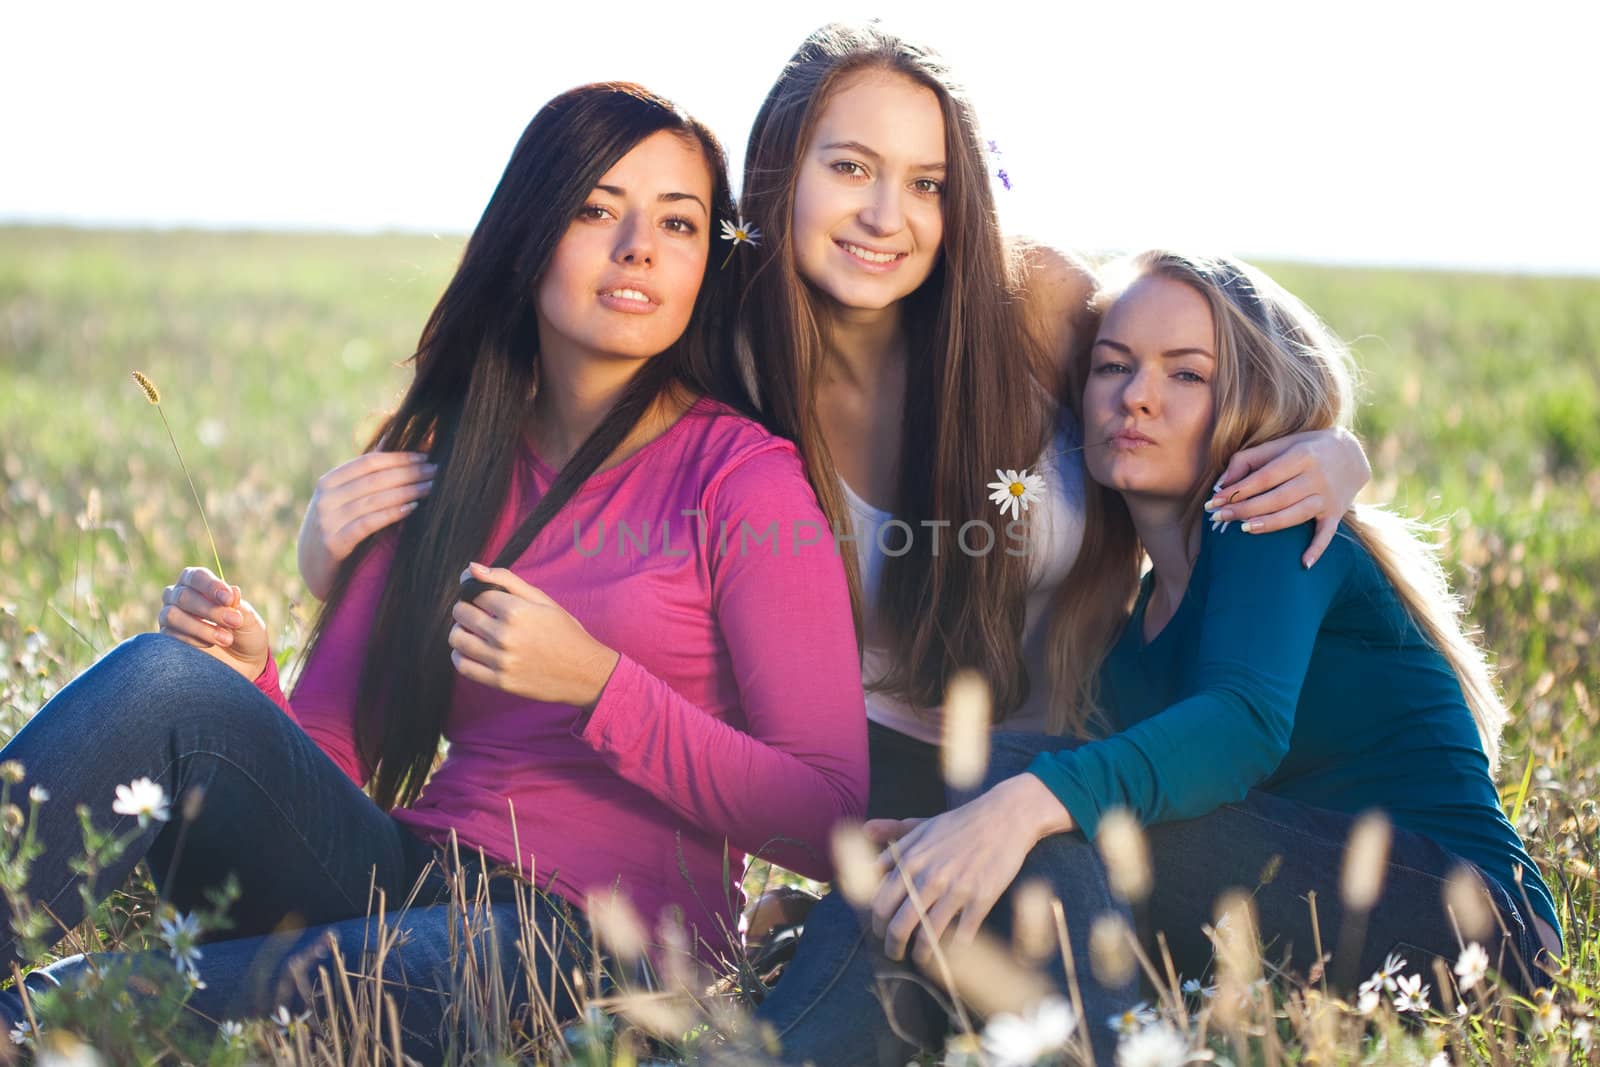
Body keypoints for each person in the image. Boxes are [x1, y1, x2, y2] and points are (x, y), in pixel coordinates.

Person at [300, 24, 1375, 826]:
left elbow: (1195, 375)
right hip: (874, 782)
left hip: (1084, 751)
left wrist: (1334, 444)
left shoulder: (1031, 304)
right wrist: (339, 564)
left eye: (926, 184)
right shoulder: (723, 354)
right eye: (849, 168)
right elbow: (536, 457)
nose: (884, 217)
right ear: (778, 171)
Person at [0, 82, 867, 1060]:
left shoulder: (744, 478)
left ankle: (48, 1012)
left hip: (590, 950)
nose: (639, 246)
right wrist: (251, 682)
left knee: (87, 1004)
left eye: (679, 221)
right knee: (167, 681)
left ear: (710, 258)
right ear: (530, 230)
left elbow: (827, 813)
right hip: (406, 876)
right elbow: (327, 766)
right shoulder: (445, 463)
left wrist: (597, 684)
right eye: (596, 208)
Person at [754, 251, 1562, 1065]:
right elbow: (1116, 809)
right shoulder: (1130, 629)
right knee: (989, 837)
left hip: (1472, 926)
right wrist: (942, 843)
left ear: (1253, 395)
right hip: (1308, 914)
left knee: (1017, 789)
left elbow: (1241, 727)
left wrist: (1013, 804)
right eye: (1112, 365)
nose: (1135, 394)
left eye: (1187, 374)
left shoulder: (1271, 521)